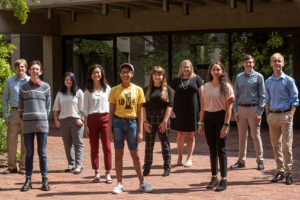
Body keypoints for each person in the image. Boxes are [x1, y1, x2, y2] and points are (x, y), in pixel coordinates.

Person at [108, 63, 153, 194]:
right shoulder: (114, 90)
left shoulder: (138, 90)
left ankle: (142, 183)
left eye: (128, 72)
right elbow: (110, 112)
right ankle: (119, 183)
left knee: (135, 155)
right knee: (118, 154)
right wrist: (109, 130)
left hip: (132, 123)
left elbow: (140, 112)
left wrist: (140, 131)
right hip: (117, 123)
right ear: (120, 74)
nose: (125, 74)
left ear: (132, 74)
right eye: (123, 72)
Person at [198, 62, 235, 191]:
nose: (216, 72)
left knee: (221, 149)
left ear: (222, 71)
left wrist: (226, 125)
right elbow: (203, 106)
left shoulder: (227, 87)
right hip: (208, 119)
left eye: (218, 70)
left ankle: (224, 179)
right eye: (214, 69)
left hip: (221, 119)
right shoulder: (206, 87)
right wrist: (200, 123)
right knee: (212, 150)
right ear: (210, 71)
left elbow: (229, 108)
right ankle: (214, 178)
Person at [265, 53, 299, 185]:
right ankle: (280, 171)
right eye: (275, 61)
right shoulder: (268, 81)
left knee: (287, 145)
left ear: (283, 63)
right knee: (276, 145)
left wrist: (290, 115)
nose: (277, 64)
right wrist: (268, 116)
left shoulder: (289, 80)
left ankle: (288, 172)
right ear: (271, 64)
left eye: (279, 61)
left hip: (285, 116)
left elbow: (295, 99)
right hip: (272, 116)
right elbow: (267, 100)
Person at [18, 60, 51, 191]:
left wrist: (42, 116)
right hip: (27, 124)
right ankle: (28, 180)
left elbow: (48, 107)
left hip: (42, 125)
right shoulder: (23, 88)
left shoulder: (46, 87)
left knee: (42, 153)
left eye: (37, 69)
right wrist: (25, 118)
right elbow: (20, 108)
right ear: (29, 71)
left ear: (40, 72)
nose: (35, 71)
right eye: (33, 69)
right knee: (29, 153)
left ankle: (44, 180)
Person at [230, 55, 265, 170]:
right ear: (243, 63)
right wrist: (235, 110)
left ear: (253, 63)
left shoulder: (259, 77)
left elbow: (262, 96)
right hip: (241, 109)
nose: (248, 64)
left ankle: (260, 160)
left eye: (250, 62)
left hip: (253, 109)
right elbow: (236, 95)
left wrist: (260, 112)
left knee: (255, 136)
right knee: (242, 137)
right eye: (246, 62)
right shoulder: (239, 77)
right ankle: (241, 160)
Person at [171, 60, 203, 167]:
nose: (186, 69)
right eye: (184, 67)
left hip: (193, 110)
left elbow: (201, 96)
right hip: (179, 110)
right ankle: (180, 156)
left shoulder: (197, 79)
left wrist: (202, 110)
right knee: (180, 134)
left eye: (188, 67)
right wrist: (171, 110)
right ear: (181, 68)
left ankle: (189, 157)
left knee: (190, 134)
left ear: (191, 68)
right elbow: (172, 97)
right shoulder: (176, 80)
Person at [83, 64, 112, 183]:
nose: (96, 74)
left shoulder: (107, 88)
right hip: (92, 119)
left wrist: (112, 123)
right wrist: (86, 125)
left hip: (106, 118)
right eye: (94, 72)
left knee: (107, 147)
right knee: (94, 147)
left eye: (98, 72)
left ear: (102, 74)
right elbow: (85, 109)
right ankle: (96, 172)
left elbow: (111, 106)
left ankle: (108, 173)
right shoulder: (87, 90)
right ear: (90, 75)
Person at [143, 66, 173, 177]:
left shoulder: (167, 89)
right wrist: (144, 121)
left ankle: (167, 167)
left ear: (163, 76)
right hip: (150, 119)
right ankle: (147, 167)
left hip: (162, 118)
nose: (157, 76)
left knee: (165, 144)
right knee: (149, 145)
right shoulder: (147, 89)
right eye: (155, 74)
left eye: (159, 74)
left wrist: (165, 120)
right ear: (152, 76)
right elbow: (144, 106)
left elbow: (170, 105)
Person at [1, 59, 30, 174]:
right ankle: (12, 166)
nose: (20, 69)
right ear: (15, 68)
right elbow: (4, 99)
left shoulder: (30, 81)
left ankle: (23, 165)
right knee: (11, 139)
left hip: (26, 112)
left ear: (26, 68)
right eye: (18, 67)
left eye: (22, 67)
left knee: (25, 140)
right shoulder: (9, 81)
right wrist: (6, 115)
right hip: (13, 112)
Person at [53, 72, 84, 174]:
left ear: (73, 81)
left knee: (78, 143)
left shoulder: (78, 92)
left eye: (70, 79)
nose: (68, 81)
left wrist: (82, 119)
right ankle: (71, 165)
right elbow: (55, 108)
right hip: (64, 121)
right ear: (64, 81)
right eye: (66, 79)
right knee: (67, 144)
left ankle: (78, 165)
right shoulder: (60, 93)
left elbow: (84, 109)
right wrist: (56, 121)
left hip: (76, 121)